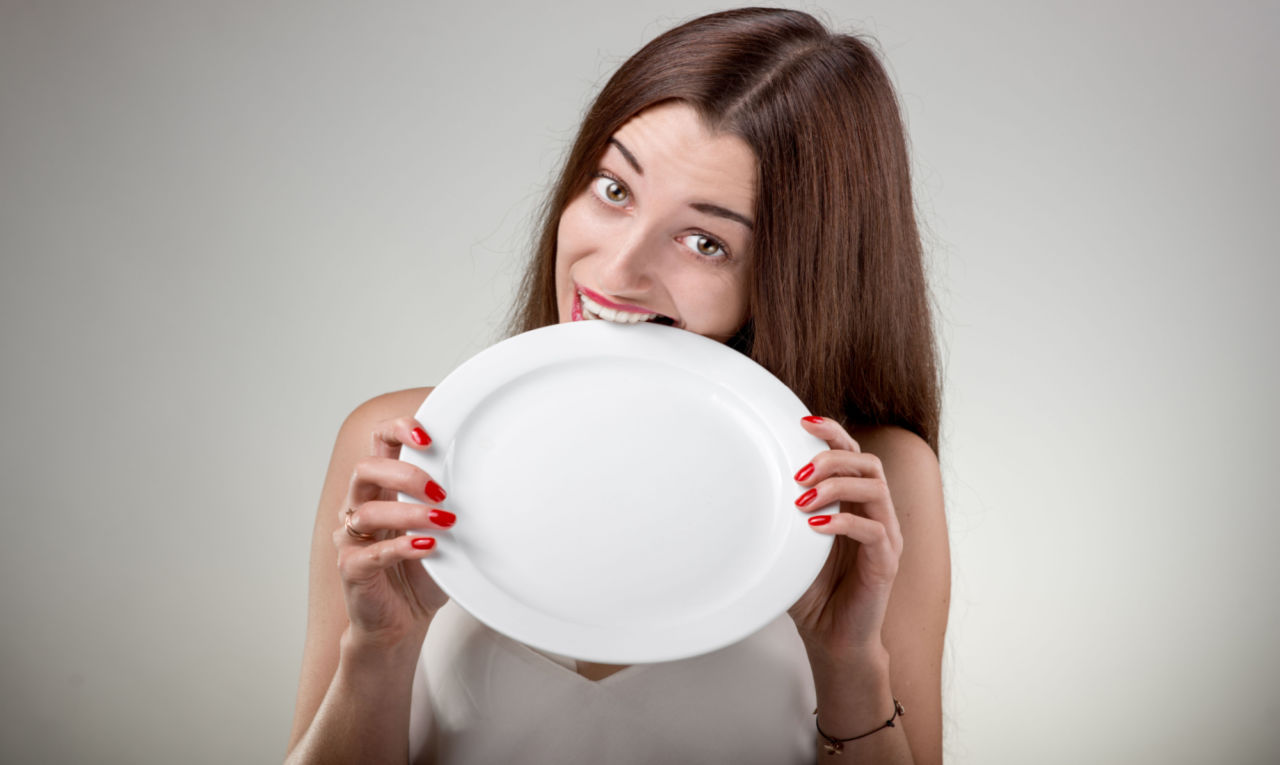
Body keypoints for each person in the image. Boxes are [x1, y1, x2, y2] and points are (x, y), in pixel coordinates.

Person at [286, 7, 949, 764]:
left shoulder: (865, 490)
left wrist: (849, 661)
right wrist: (379, 647)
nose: (616, 270)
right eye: (613, 189)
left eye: (705, 241)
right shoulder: (406, 452)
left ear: (798, 279)